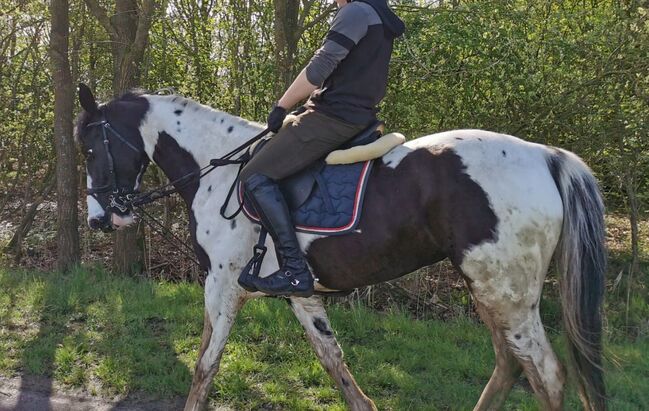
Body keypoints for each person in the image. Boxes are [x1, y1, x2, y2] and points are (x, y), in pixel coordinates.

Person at [239, 0, 405, 297]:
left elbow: (320, 67)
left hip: (333, 118)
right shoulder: (379, 17)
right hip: (357, 115)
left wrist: (282, 105)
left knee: (254, 175)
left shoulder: (356, 12)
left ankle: (294, 270)